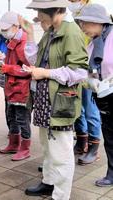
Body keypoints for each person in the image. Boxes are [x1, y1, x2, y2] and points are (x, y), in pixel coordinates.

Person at [23, 0, 89, 199]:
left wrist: (45, 72)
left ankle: (60, 195)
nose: (38, 15)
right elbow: (35, 60)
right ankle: (49, 182)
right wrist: (29, 34)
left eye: (40, 11)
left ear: (54, 11)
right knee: (47, 146)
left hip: (60, 102)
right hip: (45, 100)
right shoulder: (51, 31)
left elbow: (79, 72)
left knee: (61, 152)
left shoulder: (71, 32)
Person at [74, 3, 113, 187]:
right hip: (104, 98)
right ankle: (112, 174)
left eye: (84, 24)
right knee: (110, 138)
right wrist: (89, 81)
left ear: (97, 22)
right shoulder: (93, 43)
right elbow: (87, 71)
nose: (82, 28)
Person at [68, 0, 102, 166]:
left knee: (90, 110)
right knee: (78, 109)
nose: (71, 3)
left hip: (89, 70)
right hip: (76, 70)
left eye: (73, 0)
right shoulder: (74, 18)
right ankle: (81, 142)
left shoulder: (93, 15)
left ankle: (93, 149)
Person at [0, 11, 33, 161]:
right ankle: (13, 144)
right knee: (11, 116)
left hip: (22, 89)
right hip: (11, 88)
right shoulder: (11, 41)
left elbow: (29, 69)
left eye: (6, 29)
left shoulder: (24, 43)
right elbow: (16, 64)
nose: (3, 32)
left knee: (22, 119)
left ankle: (25, 149)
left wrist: (7, 68)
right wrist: (4, 60)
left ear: (16, 26)